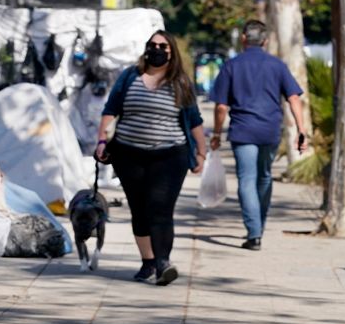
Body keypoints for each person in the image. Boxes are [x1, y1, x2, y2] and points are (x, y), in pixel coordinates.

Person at [94, 31, 207, 286]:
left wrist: (201, 152)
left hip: (170, 155)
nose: (156, 50)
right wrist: (101, 141)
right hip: (128, 154)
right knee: (139, 209)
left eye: (162, 46)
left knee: (160, 208)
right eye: (152, 45)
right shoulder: (129, 77)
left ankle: (163, 262)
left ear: (171, 52)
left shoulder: (180, 82)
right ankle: (148, 261)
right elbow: (110, 110)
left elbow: (194, 120)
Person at [209, 20, 308, 251]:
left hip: (243, 130)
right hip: (270, 130)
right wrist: (301, 130)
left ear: (243, 38)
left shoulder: (231, 66)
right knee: (264, 177)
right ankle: (258, 227)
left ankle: (254, 234)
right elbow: (294, 98)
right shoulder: (277, 65)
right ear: (265, 41)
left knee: (246, 179)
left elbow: (221, 106)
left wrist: (215, 133)